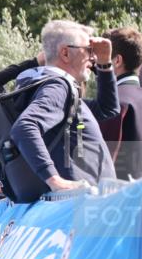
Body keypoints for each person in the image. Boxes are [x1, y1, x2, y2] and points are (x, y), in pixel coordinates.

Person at [10, 20, 119, 195]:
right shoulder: (58, 86)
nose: (93, 57)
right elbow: (25, 126)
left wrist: (105, 64)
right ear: (65, 53)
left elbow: (108, 109)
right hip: (79, 209)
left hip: (82, 207)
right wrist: (55, 180)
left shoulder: (55, 87)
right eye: (88, 50)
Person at [99, 27, 142, 180]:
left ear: (117, 61)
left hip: (123, 197)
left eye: (102, 58)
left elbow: (104, 164)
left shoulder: (115, 103)